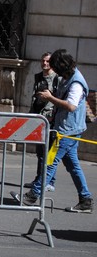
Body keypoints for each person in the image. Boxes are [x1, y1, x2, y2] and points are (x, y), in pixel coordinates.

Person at [23, 49, 93, 213]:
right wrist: (50, 96)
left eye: (55, 66)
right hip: (66, 128)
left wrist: (51, 98)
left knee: (50, 161)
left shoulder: (76, 83)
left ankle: (32, 196)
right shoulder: (69, 77)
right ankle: (86, 199)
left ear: (62, 66)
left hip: (68, 131)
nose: (53, 69)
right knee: (73, 166)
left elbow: (70, 106)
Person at [24, 52, 61, 191]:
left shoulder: (57, 78)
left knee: (49, 152)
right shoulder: (38, 77)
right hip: (38, 117)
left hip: (50, 118)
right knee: (40, 152)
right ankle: (39, 179)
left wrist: (54, 115)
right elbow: (34, 97)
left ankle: (50, 181)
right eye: (43, 61)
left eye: (47, 61)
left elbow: (58, 98)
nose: (45, 63)